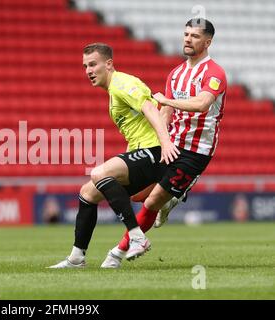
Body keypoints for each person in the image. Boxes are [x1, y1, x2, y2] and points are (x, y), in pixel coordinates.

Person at [102, 18, 227, 268]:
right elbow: (165, 114)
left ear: (207, 42)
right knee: (137, 193)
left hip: (195, 152)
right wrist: (159, 142)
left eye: (194, 36)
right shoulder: (176, 74)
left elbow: (202, 104)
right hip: (171, 144)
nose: (188, 39)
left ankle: (117, 252)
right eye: (186, 34)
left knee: (151, 202)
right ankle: (174, 198)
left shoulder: (215, 73)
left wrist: (168, 101)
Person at [48, 43, 179, 268]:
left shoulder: (122, 83)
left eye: (93, 64)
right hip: (143, 152)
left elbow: (149, 108)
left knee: (99, 173)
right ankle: (77, 258)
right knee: (87, 192)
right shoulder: (113, 91)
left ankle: (137, 236)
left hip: (155, 151)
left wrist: (165, 143)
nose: (88, 70)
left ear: (108, 64)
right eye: (85, 66)